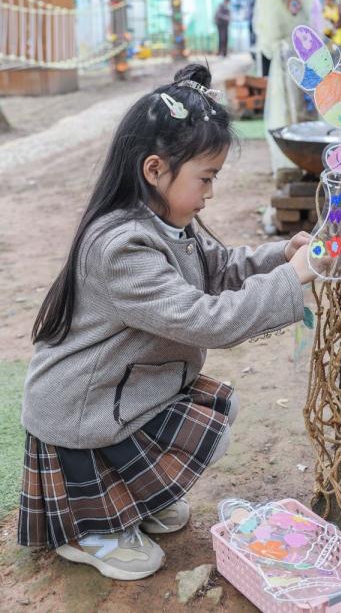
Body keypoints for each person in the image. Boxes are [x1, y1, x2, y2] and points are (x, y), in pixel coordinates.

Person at [17, 63, 315, 581]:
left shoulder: (165, 221)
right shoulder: (121, 247)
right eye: (206, 177)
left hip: (117, 395)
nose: (211, 192)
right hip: (81, 414)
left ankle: (127, 503)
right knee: (195, 417)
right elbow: (208, 319)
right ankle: (92, 530)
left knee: (201, 411)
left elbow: (216, 269)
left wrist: (277, 256)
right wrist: (294, 279)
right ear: (155, 169)